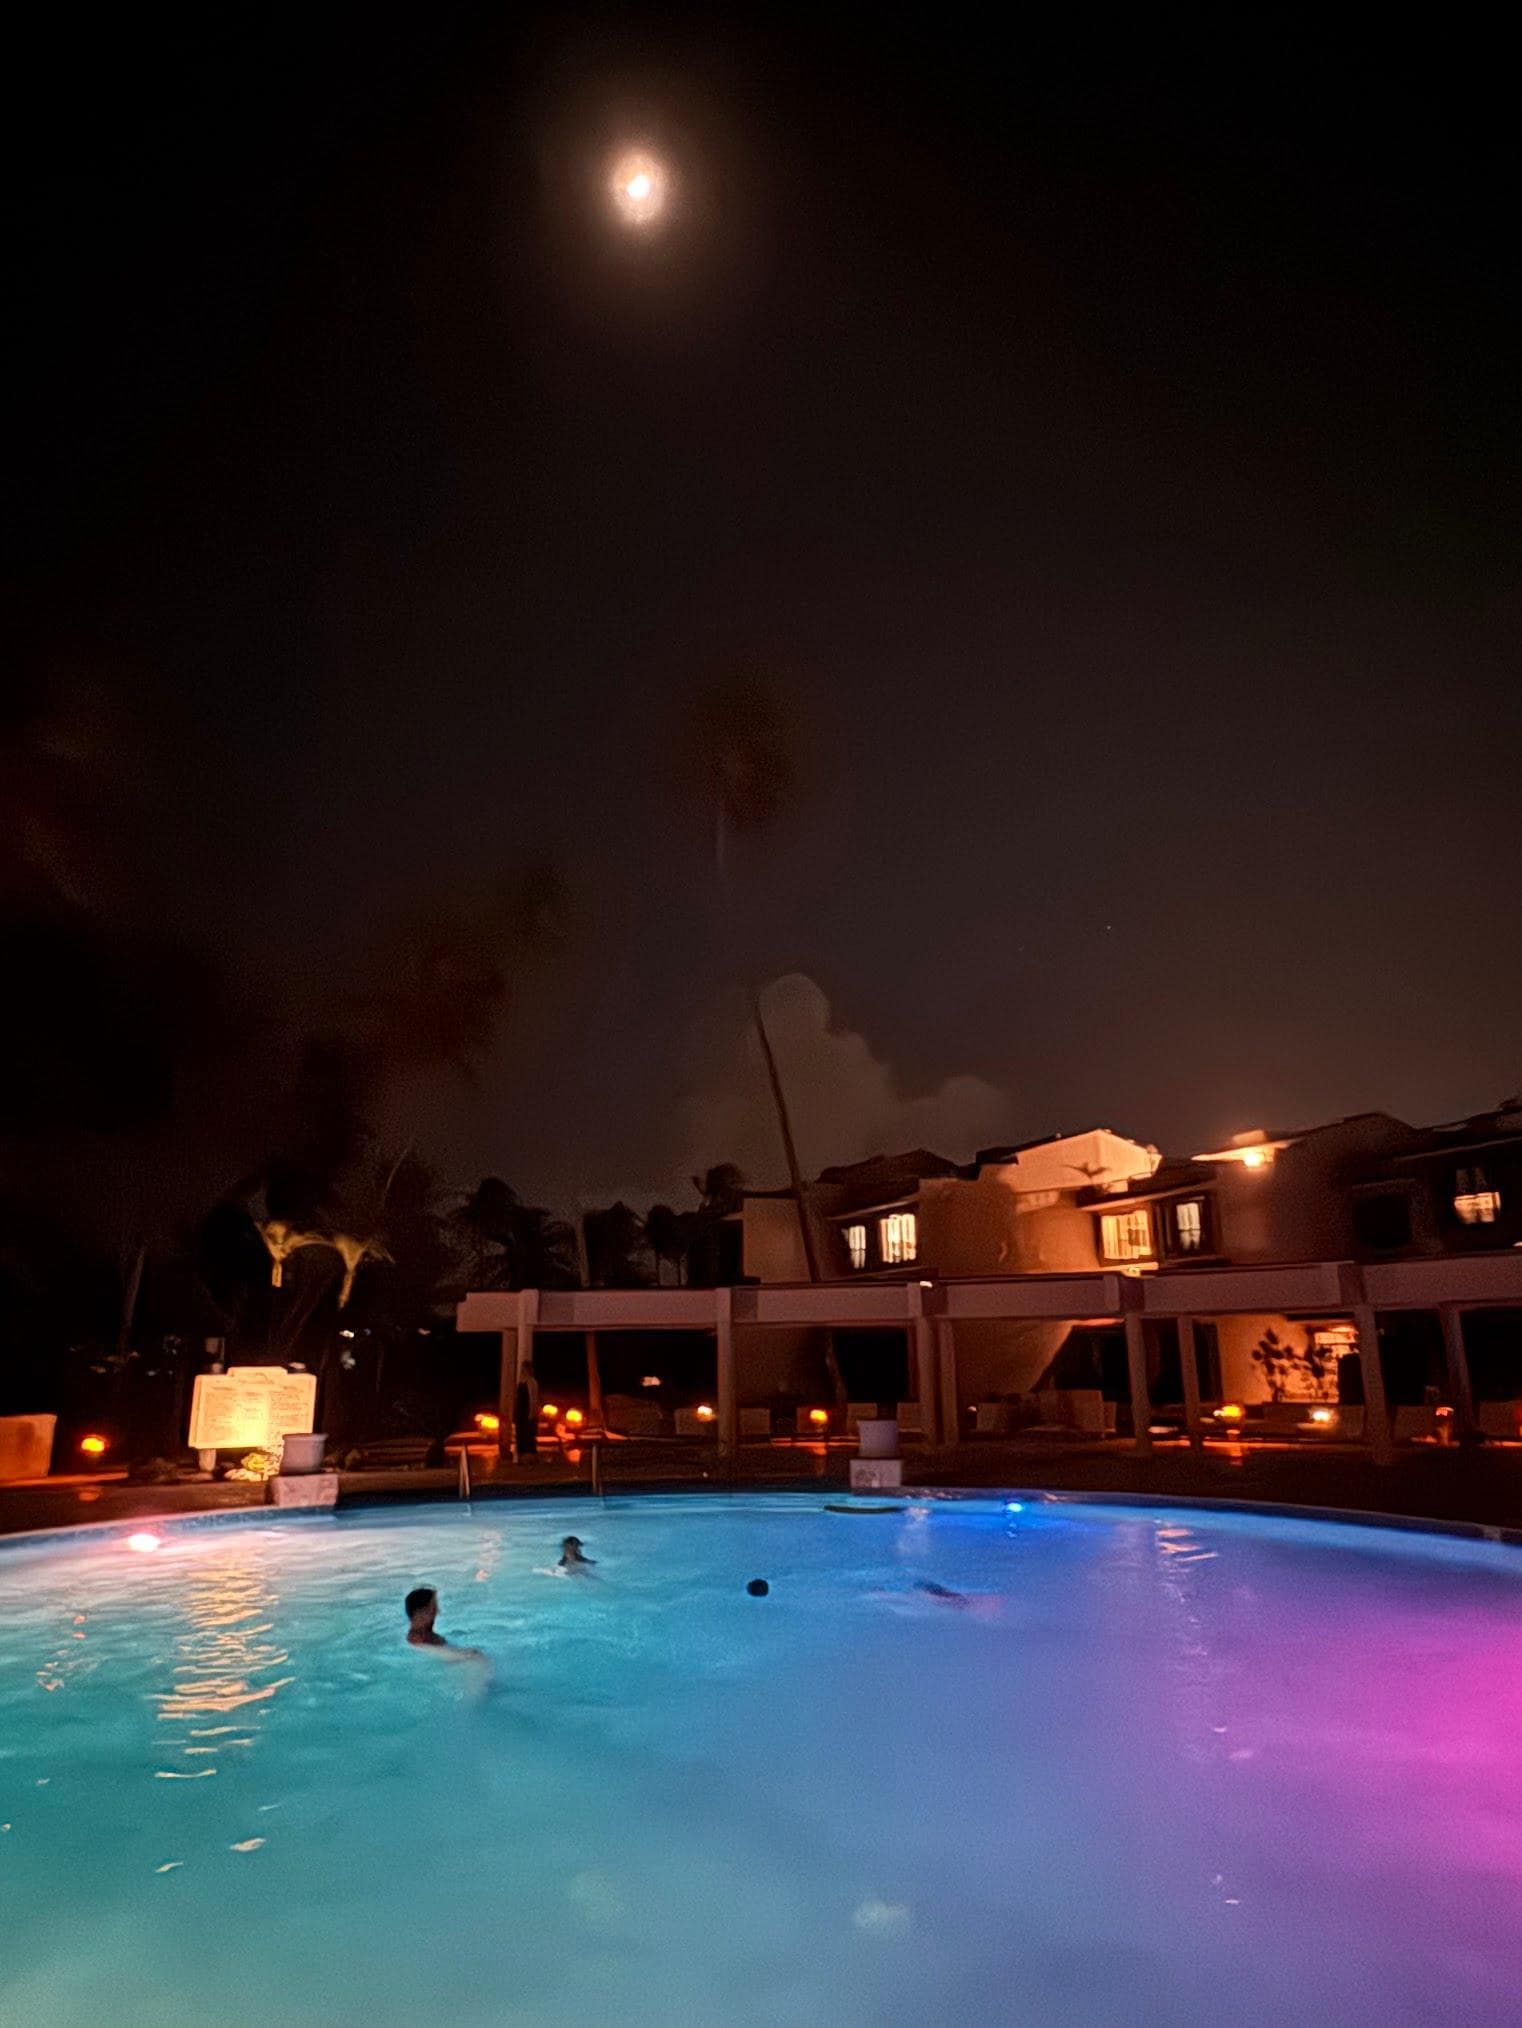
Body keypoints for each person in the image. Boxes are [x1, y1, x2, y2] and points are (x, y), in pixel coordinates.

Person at [404, 1586, 487, 1661]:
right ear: (421, 1613)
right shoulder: (417, 1640)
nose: (438, 1612)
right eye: (433, 1609)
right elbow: (446, 1656)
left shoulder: (427, 1637)